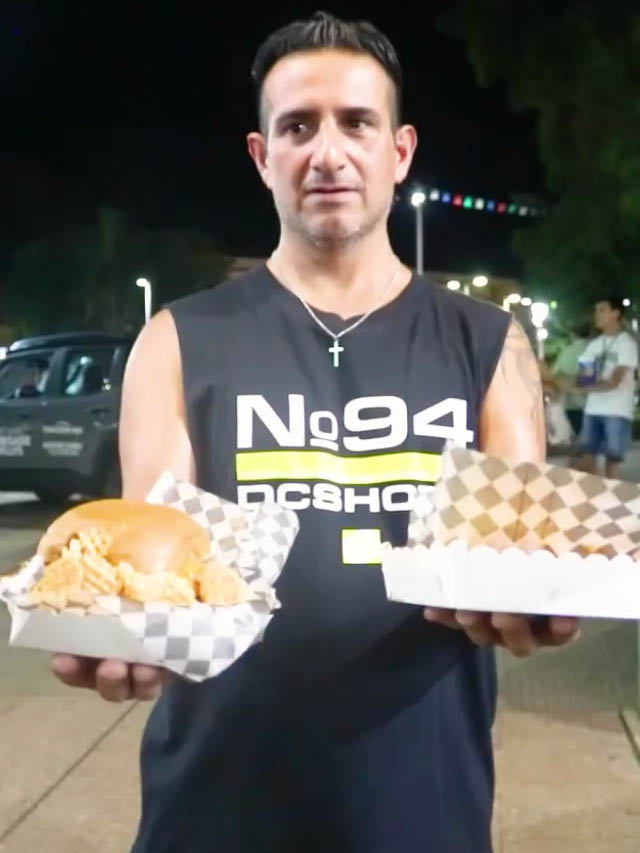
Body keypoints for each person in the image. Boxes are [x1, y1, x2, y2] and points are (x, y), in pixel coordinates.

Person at [50, 13, 579, 852]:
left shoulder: (490, 343)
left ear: (399, 152)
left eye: (356, 123)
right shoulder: (178, 338)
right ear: (262, 156)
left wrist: (536, 596)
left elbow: (519, 556)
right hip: (214, 806)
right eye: (298, 127)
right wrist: (116, 627)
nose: (328, 153)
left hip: (424, 806)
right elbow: (154, 557)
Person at [572, 297, 638, 479]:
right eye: (596, 310)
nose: (597, 315)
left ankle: (612, 495)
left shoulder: (627, 344)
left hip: (617, 411)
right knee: (586, 459)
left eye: (602, 310)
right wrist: (588, 385)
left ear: (616, 313)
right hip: (592, 410)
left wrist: (586, 386)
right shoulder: (594, 345)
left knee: (612, 461)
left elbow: (615, 381)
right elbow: (584, 378)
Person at [551, 322, 591, 439]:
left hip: (568, 402)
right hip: (588, 403)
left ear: (572, 334)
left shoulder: (565, 352)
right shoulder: (591, 350)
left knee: (572, 438)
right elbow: (589, 379)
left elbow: (554, 374)